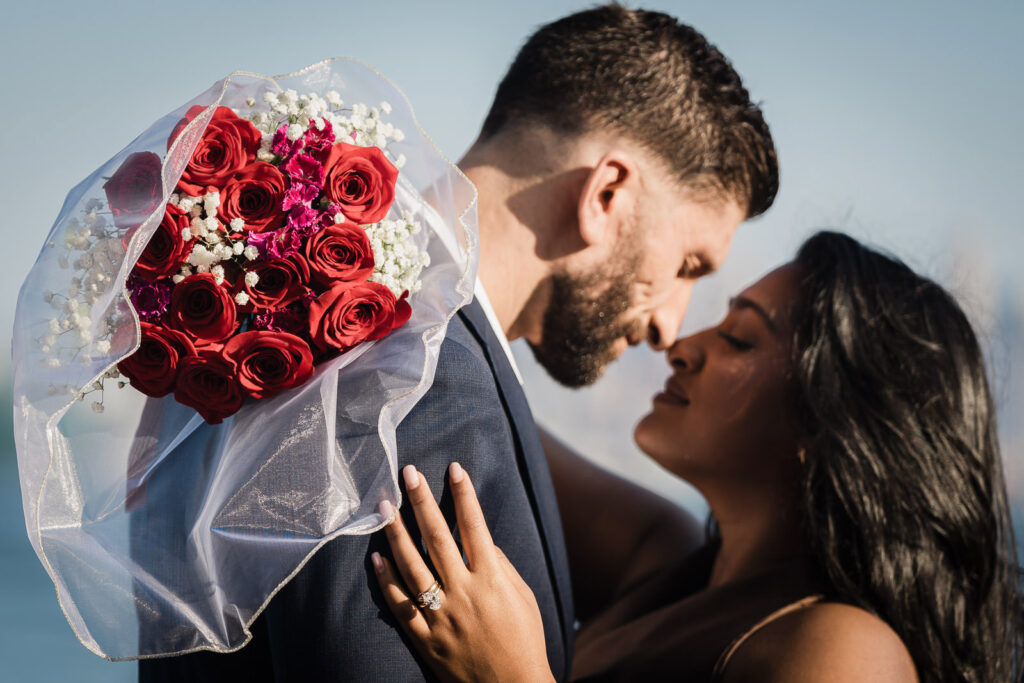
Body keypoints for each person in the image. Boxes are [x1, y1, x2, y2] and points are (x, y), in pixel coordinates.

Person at [139, 5, 778, 681]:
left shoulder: (291, 322)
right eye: (688, 266)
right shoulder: (423, 384)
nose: (669, 326)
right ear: (607, 195)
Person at [373, 231, 1024, 682]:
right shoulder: (664, 555)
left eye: (740, 338)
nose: (681, 345)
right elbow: (468, 415)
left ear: (827, 422)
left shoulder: (846, 651)